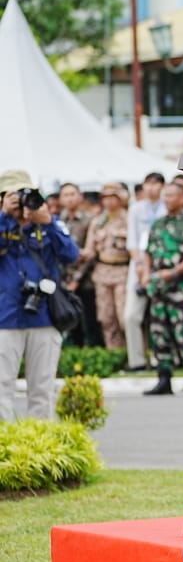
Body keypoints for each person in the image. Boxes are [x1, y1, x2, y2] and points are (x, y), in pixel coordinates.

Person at [0, 169, 79, 421]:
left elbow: (71, 255)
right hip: (6, 315)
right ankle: (5, 446)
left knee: (42, 387)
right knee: (1, 387)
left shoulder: (48, 223)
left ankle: (39, 444)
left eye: (26, 194)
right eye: (12, 195)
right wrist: (5, 217)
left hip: (44, 315)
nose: (22, 201)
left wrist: (47, 222)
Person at [141, 183, 183, 396]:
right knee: (159, 333)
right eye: (164, 196)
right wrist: (147, 274)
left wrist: (175, 272)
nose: (167, 199)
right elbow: (148, 252)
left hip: (182, 286)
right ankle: (164, 378)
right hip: (158, 286)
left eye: (171, 195)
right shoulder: (158, 224)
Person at [82, 183, 132, 350]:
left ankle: (132, 353)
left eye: (113, 197)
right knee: (105, 316)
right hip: (102, 271)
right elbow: (90, 249)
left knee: (124, 315)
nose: (109, 201)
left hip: (123, 270)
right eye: (106, 198)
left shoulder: (128, 219)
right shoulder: (98, 222)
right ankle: (114, 351)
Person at [125, 172, 166, 372]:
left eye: (155, 184)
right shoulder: (135, 209)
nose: (151, 188)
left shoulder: (167, 208)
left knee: (158, 316)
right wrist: (141, 265)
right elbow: (132, 240)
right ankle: (137, 361)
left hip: (162, 266)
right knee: (131, 316)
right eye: (147, 184)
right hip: (138, 266)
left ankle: (161, 359)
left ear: (162, 186)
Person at [57, 182, 99, 347]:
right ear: (61, 199)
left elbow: (91, 252)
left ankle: (94, 352)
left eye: (72, 194)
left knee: (89, 318)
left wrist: (77, 278)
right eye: (66, 195)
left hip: (86, 278)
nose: (69, 198)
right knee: (70, 319)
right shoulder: (57, 221)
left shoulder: (90, 220)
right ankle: (76, 352)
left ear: (80, 196)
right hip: (64, 278)